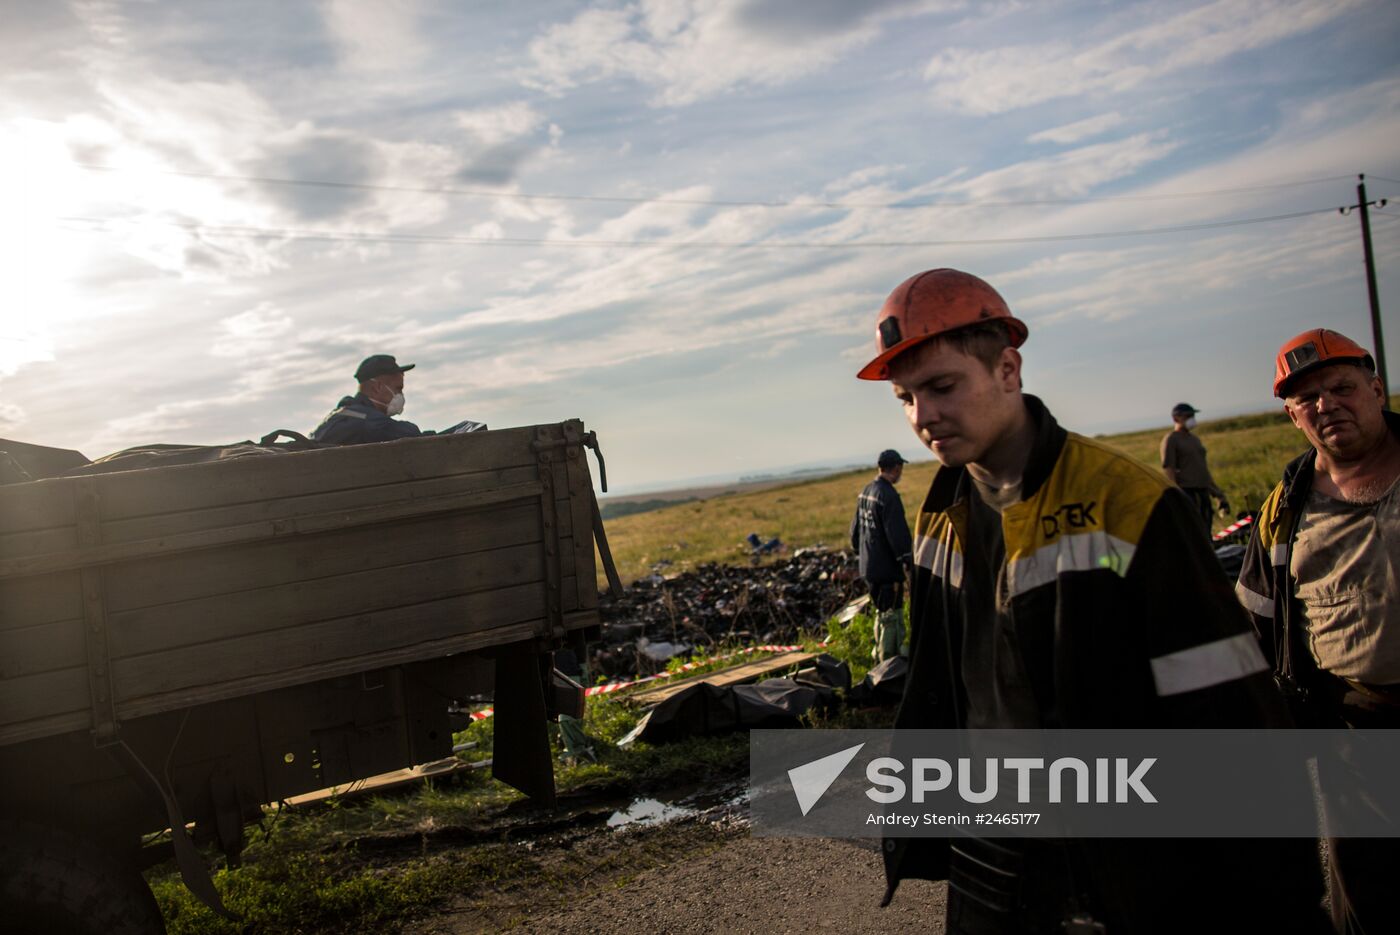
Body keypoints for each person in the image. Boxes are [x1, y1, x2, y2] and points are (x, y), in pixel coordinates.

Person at [858, 269, 1326, 933]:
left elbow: (1230, 713)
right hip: (997, 867)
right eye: (905, 397)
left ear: (1008, 369)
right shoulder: (943, 511)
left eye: (942, 386)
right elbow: (946, 687)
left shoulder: (1126, 503)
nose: (922, 415)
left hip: (1126, 868)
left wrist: (1281, 899)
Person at [1236, 328, 1400, 935]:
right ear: (1291, 416)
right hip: (1357, 729)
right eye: (1308, 399)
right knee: (1369, 889)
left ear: (1376, 389)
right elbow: (1256, 624)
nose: (1327, 405)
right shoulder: (1285, 507)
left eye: (1342, 388)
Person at [849, 449, 913, 661]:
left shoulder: (866, 491)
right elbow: (897, 533)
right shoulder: (888, 495)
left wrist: (862, 552)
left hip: (868, 566)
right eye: (900, 468)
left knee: (880, 612)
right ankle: (889, 663)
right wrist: (906, 558)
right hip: (886, 570)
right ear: (895, 468)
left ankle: (878, 655)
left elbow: (855, 531)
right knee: (891, 616)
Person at [310, 355, 427, 444]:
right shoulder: (368, 421)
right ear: (378, 387)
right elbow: (410, 433)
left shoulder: (345, 413)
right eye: (398, 388)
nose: (400, 394)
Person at [1160, 401, 1229, 532]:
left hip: (1203, 491)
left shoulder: (1194, 439)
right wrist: (1176, 495)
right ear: (1176, 418)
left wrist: (1217, 494)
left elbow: (1202, 468)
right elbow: (1168, 468)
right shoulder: (1171, 439)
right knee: (1193, 530)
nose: (1191, 419)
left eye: (1192, 415)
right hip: (1187, 492)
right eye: (1187, 416)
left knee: (1206, 528)